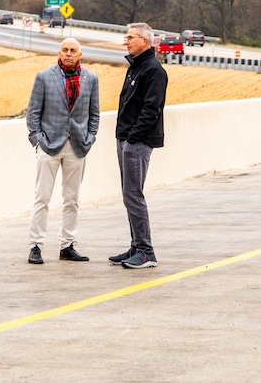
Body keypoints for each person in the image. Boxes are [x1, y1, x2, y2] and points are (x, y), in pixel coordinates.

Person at [25, 38, 100, 265]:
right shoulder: (44, 77)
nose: (68, 54)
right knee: (42, 196)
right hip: (49, 145)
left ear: (80, 54)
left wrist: (89, 138)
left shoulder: (91, 79)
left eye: (73, 50)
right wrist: (37, 139)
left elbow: (94, 114)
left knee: (72, 199)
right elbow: (33, 113)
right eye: (65, 50)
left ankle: (67, 245)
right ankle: (36, 245)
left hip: (77, 146)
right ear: (59, 52)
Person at [109, 22, 167, 270]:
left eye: (131, 37)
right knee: (128, 195)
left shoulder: (153, 70)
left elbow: (151, 109)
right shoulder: (135, 67)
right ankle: (136, 246)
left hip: (138, 142)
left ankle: (146, 251)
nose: (126, 41)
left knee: (134, 195)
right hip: (125, 139)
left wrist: (133, 138)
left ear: (145, 41)